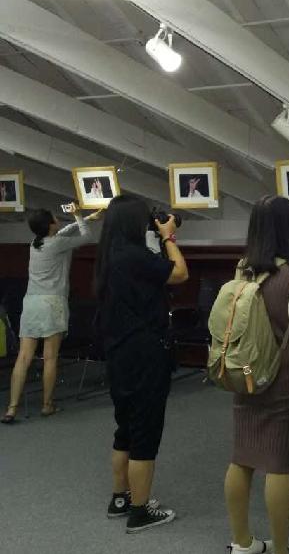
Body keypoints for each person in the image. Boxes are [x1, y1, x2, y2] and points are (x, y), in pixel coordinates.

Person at [93, 196, 188, 533]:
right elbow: (180, 273)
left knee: (125, 429)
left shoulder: (110, 255)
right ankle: (140, 511)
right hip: (145, 353)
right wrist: (169, 237)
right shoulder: (134, 256)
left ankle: (121, 498)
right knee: (145, 432)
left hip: (119, 352)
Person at [224, 196, 289, 554]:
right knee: (279, 464)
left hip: (245, 372)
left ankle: (242, 542)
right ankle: (281, 549)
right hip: (284, 375)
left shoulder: (243, 268)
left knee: (241, 458)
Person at [1, 205, 101, 424]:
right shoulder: (57, 244)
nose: (58, 219)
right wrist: (78, 216)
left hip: (31, 304)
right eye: (55, 218)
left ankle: (11, 408)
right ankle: (47, 405)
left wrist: (87, 218)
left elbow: (63, 232)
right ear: (50, 225)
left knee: (23, 357)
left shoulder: (35, 243)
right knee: (50, 358)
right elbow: (87, 237)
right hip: (52, 304)